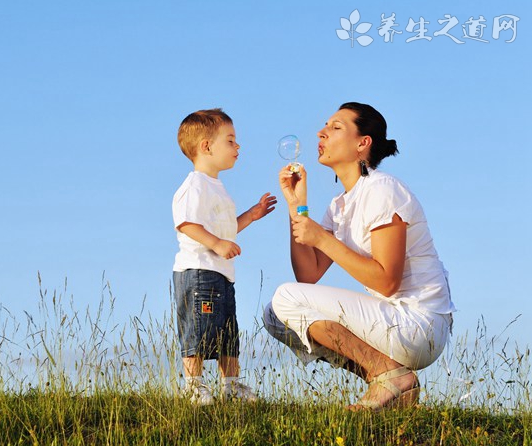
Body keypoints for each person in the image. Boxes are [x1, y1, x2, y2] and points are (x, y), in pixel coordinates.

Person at [263, 102, 455, 411]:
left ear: (362, 143)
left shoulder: (383, 189)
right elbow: (308, 275)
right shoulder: (339, 206)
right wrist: (296, 205)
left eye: (336, 127)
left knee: (285, 297)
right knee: (275, 315)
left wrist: (323, 238)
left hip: (418, 324)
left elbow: (387, 281)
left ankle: (388, 376)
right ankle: (389, 381)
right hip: (390, 323)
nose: (321, 132)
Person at [173, 108, 277, 405]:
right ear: (206, 146)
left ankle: (230, 384)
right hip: (198, 271)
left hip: (221, 274)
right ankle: (193, 385)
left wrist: (252, 216)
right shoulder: (195, 185)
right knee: (198, 329)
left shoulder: (216, 187)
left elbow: (227, 230)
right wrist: (217, 244)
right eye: (230, 141)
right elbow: (186, 223)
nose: (237, 147)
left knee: (227, 330)